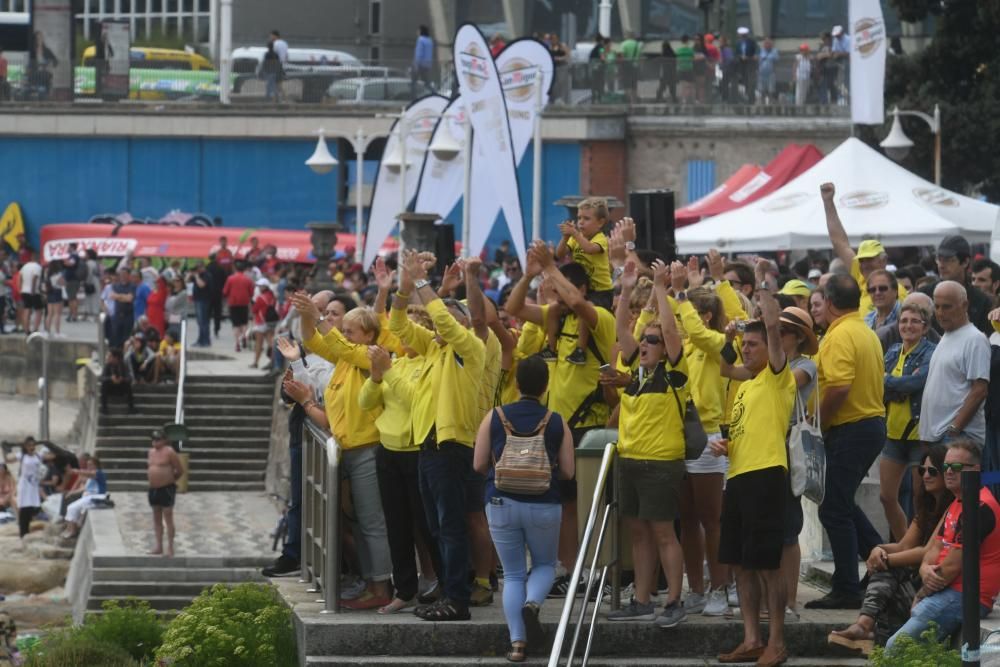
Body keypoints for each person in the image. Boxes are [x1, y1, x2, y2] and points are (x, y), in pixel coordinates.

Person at [505, 243, 616, 597]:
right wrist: (529, 275)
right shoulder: (558, 316)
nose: (560, 296)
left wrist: (552, 267)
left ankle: (597, 570)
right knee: (564, 506)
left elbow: (581, 303)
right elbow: (514, 308)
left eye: (565, 289)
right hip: (558, 426)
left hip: (590, 427)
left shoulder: (599, 318)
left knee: (591, 507)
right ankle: (571, 570)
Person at [387, 250, 486, 621]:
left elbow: (444, 322)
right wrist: (404, 286)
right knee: (436, 526)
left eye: (447, 317)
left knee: (451, 525)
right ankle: (448, 590)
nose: (434, 324)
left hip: (451, 447)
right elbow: (397, 324)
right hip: (427, 447)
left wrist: (424, 284)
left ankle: (458, 599)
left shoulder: (470, 348)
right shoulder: (432, 350)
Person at [293, 290, 399, 610]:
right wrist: (306, 314)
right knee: (358, 522)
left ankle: (381, 584)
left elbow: (341, 345)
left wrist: (318, 314)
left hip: (368, 448)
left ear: (368, 334)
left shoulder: (370, 356)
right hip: (348, 449)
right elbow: (311, 340)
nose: (344, 334)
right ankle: (370, 581)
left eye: (351, 330)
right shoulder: (344, 359)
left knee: (371, 521)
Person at [715, 260, 796, 667]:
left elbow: (772, 328)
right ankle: (751, 639)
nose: (746, 351)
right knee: (741, 563)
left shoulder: (778, 376)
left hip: (766, 475)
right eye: (744, 346)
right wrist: (727, 448)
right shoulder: (745, 385)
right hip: (739, 475)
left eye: (753, 345)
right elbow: (718, 362)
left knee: (766, 563)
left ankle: (776, 641)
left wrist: (764, 285)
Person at [473, 355, 574, 662]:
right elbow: (568, 471)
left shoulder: (494, 416)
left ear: (516, 383)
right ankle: (533, 603)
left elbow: (478, 464)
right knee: (544, 564)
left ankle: (518, 645)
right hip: (544, 503)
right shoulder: (557, 421)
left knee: (514, 574)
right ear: (546, 386)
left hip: (501, 502)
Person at [606, 259, 689, 628]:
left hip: (661, 462)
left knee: (663, 531)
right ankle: (641, 599)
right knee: (638, 533)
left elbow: (670, 330)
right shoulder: (634, 372)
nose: (644, 344)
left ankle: (673, 599)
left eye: (651, 341)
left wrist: (660, 288)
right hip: (631, 460)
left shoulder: (673, 373)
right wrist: (624, 290)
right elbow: (622, 329)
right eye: (644, 340)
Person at [806, 272, 887, 610]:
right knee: (841, 503)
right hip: (866, 426)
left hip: (852, 428)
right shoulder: (863, 331)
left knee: (834, 509)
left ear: (831, 302)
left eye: (820, 300)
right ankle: (883, 563)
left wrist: (817, 424)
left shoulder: (840, 335)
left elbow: (839, 386)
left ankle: (847, 587)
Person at [829, 443, 949, 654]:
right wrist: (878, 549)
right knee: (886, 581)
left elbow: (925, 552)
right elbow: (903, 545)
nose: (926, 476)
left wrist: (886, 559)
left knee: (888, 572)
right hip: (921, 581)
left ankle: (865, 628)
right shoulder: (926, 507)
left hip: (938, 583)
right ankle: (868, 631)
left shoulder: (953, 507)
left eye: (932, 471)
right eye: (922, 471)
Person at [885, 440, 1000, 652]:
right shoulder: (957, 502)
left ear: (975, 470)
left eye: (956, 467)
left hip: (964, 595)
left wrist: (920, 594)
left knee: (895, 649)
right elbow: (933, 550)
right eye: (946, 467)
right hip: (948, 591)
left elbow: (951, 568)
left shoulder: (979, 507)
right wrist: (924, 568)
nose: (948, 472)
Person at [261, 290, 336, 579]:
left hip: (328, 433)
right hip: (302, 432)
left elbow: (315, 395)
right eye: (310, 310)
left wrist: (306, 395)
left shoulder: (340, 353)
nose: (314, 316)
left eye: (321, 311)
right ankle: (294, 553)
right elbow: (288, 391)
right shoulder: (302, 349)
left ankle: (318, 559)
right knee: (299, 497)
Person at [669, 266, 730, 617]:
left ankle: (720, 588)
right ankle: (695, 588)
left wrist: (681, 297)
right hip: (679, 434)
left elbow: (696, 331)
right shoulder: (687, 346)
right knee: (687, 518)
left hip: (707, 434)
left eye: (687, 312)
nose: (681, 319)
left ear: (703, 315)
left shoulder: (717, 342)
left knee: (712, 519)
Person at [880, 302, 936, 542]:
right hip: (892, 433)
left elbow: (915, 384)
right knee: (886, 496)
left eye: (915, 321)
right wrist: (896, 384)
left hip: (918, 435)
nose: (908, 325)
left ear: (925, 327)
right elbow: (879, 386)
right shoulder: (892, 350)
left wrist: (889, 381)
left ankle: (919, 548)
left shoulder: (931, 352)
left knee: (918, 498)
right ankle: (906, 547)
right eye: (904, 321)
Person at [919, 281, 990, 448]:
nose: (940, 313)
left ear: (964, 305)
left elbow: (980, 390)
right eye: (936, 307)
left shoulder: (975, 339)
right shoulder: (948, 335)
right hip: (939, 436)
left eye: (947, 307)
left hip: (958, 438)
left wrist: (954, 428)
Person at [822, 183, 907, 316]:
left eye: (870, 259)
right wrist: (828, 202)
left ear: (884, 261)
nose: (865, 265)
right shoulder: (860, 276)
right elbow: (839, 242)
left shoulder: (896, 291)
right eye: (861, 260)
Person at [550, 198, 612, 366]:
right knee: (555, 308)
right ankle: (551, 347)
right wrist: (565, 238)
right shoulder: (576, 238)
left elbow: (590, 249)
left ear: (600, 223)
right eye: (579, 218)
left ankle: (580, 350)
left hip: (600, 291)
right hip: (581, 289)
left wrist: (576, 234)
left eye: (586, 219)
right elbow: (560, 254)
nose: (581, 223)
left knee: (586, 309)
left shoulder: (600, 239)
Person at [918, 235, 993, 335]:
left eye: (948, 259)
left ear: (965, 262)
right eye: (939, 259)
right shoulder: (924, 294)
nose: (941, 265)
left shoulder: (981, 300)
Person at [147, 430, 182, 556]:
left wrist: (170, 480)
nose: (155, 442)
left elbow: (179, 470)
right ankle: (158, 545)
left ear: (164, 440)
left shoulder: (169, 452)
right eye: (153, 439)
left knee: (168, 516)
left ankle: (170, 547)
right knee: (156, 517)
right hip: (153, 488)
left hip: (166, 488)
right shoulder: (151, 452)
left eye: (158, 439)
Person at [60, 456, 108, 539]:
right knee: (72, 507)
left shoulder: (98, 473)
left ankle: (72, 531)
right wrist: (71, 492)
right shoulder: (90, 477)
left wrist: (76, 471)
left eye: (91, 465)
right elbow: (84, 488)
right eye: (88, 465)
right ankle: (70, 528)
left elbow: (89, 474)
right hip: (89, 497)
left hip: (96, 498)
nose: (89, 467)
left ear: (96, 465)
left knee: (71, 507)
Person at [223, 261, 254, 352]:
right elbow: (251, 293)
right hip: (244, 303)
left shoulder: (230, 279)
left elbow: (225, 292)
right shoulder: (248, 279)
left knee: (235, 324)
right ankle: (244, 336)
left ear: (235, 269)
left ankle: (237, 343)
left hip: (233, 303)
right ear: (244, 269)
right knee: (244, 322)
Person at [16, 437, 43, 539]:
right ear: (25, 447)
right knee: (24, 507)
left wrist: (47, 443)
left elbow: (53, 456)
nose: (31, 447)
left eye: (33, 445)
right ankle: (23, 532)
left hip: (34, 484)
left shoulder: (38, 455)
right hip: (24, 484)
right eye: (29, 445)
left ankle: (27, 531)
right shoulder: (22, 456)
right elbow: (8, 460)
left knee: (31, 507)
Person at [250, 278, 278, 369]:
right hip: (270, 322)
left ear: (264, 287)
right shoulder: (273, 296)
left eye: (260, 286)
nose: (258, 287)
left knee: (259, 343)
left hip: (261, 322)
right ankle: (273, 361)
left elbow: (254, 310)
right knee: (270, 342)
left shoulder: (260, 298)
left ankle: (255, 362)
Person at [101, 347, 135, 414]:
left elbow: (130, 378)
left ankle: (131, 408)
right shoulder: (107, 365)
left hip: (120, 389)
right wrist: (110, 378)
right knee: (104, 384)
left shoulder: (123, 365)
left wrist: (122, 379)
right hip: (111, 389)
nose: (108, 357)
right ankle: (104, 408)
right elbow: (102, 378)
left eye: (110, 356)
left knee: (128, 385)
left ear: (115, 358)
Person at [109, 267, 136, 348]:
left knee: (126, 338)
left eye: (124, 274)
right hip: (118, 315)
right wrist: (123, 296)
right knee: (116, 337)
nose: (122, 276)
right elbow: (112, 296)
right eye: (121, 274)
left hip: (128, 316)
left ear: (128, 275)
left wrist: (119, 296)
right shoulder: (116, 286)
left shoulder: (132, 286)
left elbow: (129, 299)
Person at [17, 252, 43, 334]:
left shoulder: (25, 266)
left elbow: (20, 277)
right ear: (38, 258)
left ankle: (26, 329)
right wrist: (33, 290)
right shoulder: (38, 267)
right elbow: (35, 278)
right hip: (34, 291)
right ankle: (35, 328)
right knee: (38, 310)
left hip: (24, 291)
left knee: (27, 309)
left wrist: (20, 288)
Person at [190, 261, 212, 347]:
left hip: (203, 300)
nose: (197, 270)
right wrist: (190, 275)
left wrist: (196, 276)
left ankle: (205, 340)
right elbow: (186, 281)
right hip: (197, 299)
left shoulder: (207, 275)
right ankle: (200, 339)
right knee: (200, 321)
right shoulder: (198, 275)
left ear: (203, 267)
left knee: (203, 321)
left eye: (198, 268)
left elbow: (201, 285)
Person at [735, 27, 758, 103]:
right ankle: (746, 96)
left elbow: (756, 51)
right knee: (744, 81)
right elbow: (736, 53)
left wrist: (753, 56)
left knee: (751, 81)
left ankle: (751, 98)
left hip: (750, 63)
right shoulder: (738, 43)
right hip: (742, 64)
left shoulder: (752, 42)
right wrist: (740, 56)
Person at [412, 25, 435, 97]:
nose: (417, 32)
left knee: (413, 81)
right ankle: (434, 93)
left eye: (418, 30)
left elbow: (419, 53)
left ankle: (413, 96)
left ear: (421, 31)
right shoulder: (430, 40)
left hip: (420, 64)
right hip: (427, 64)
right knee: (426, 82)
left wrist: (416, 64)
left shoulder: (420, 39)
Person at [43, 259, 64, 336]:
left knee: (49, 314)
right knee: (57, 314)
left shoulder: (48, 273)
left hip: (50, 292)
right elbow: (63, 283)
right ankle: (57, 332)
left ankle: (47, 331)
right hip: (57, 292)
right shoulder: (58, 274)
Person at [757, 38, 779, 104]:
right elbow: (759, 59)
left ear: (771, 45)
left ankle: (770, 103)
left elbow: (776, 59)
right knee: (761, 90)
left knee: (771, 90)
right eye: (766, 44)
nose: (767, 45)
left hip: (771, 73)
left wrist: (767, 57)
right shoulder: (761, 51)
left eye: (769, 44)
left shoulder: (774, 51)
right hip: (761, 73)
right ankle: (762, 103)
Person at [656, 38, 677, 103]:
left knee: (661, 88)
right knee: (672, 89)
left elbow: (660, 64)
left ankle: (658, 99)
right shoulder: (673, 53)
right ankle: (674, 100)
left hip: (665, 74)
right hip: (672, 74)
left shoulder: (663, 54)